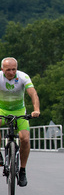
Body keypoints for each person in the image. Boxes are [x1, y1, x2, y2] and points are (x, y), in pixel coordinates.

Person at [0, 57, 40, 187]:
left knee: (25, 139)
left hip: (19, 111)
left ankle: (22, 170)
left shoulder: (23, 77)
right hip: (2, 109)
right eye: (8, 70)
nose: (11, 72)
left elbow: (33, 94)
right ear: (2, 69)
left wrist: (36, 110)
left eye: (14, 69)